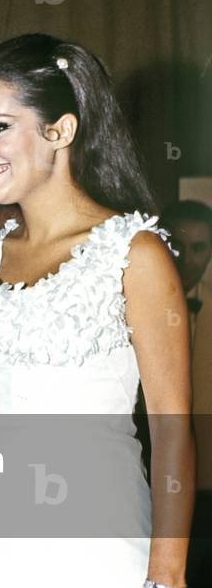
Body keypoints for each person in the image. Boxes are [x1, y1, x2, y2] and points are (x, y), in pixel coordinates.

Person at [0, 34, 194, 588]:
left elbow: (173, 428)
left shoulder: (134, 254)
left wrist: (167, 572)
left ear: (60, 130)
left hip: (92, 535)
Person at [161, 199, 212, 489]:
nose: (187, 260)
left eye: (199, 248)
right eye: (177, 246)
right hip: (147, 462)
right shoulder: (128, 303)